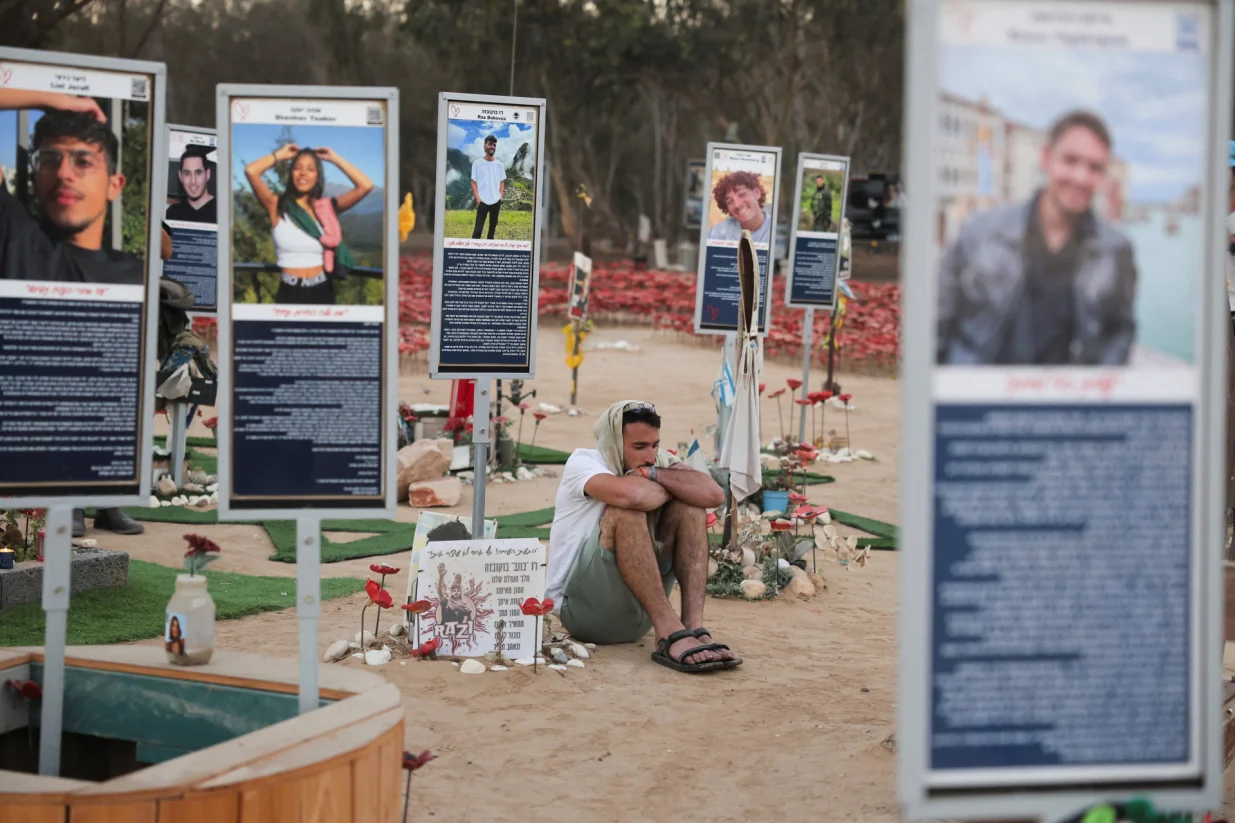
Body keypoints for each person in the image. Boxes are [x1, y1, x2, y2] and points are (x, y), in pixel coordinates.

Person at [0, 90, 146, 537]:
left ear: (114, 184)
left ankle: (105, 500)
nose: (64, 173)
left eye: (83, 161)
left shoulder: (130, 272)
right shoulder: (18, 240)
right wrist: (52, 98)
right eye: (51, 159)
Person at [546, 401, 741, 674]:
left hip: (639, 617)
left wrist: (650, 474)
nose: (650, 455)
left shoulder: (656, 464)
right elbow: (633, 496)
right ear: (613, 442)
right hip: (583, 613)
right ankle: (667, 631)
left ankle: (692, 626)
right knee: (627, 512)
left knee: (691, 508)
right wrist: (672, 486)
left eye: (654, 445)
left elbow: (713, 495)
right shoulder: (584, 462)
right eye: (639, 447)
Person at [936, 110, 1138, 366]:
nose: (1081, 177)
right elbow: (938, 323)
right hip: (982, 398)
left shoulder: (1117, 249)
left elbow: (1120, 332)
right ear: (1046, 158)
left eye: (1094, 167)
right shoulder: (978, 232)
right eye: (1070, 160)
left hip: (1067, 402)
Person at [244, 143, 372, 305]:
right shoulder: (277, 205)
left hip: (322, 290)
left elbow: (365, 185)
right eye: (297, 168)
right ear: (291, 173)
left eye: (311, 169)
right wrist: (281, 155)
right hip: (289, 292)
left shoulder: (325, 209)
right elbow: (251, 171)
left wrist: (334, 158)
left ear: (318, 176)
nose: (303, 173)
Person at [707, 170, 771, 243]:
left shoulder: (774, 229)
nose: (737, 205)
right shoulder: (719, 233)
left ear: (757, 193)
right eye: (730, 201)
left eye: (742, 194)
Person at [166, 144, 216, 223]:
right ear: (180, 176)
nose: (193, 181)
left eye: (198, 173)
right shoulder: (172, 214)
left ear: (208, 174)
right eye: (187, 173)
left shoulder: (221, 212)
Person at [471, 135, 505, 239]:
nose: (492, 147)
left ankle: (489, 252)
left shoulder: (499, 164)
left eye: (494, 145)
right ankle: (473, 252)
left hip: (496, 201)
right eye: (490, 144)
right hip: (483, 201)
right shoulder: (477, 163)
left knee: (492, 230)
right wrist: (477, 197)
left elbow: (502, 182)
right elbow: (473, 182)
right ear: (485, 145)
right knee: (478, 230)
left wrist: (500, 197)